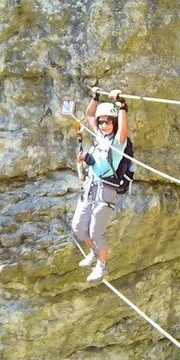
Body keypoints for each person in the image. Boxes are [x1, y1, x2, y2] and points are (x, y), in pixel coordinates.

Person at [71, 87, 128, 282]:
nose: (103, 125)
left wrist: (122, 106)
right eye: (102, 122)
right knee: (79, 227)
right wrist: (95, 97)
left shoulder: (118, 143)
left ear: (114, 123)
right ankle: (94, 252)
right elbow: (89, 115)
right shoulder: (100, 137)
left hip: (106, 190)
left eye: (107, 122)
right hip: (90, 187)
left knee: (96, 232)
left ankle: (102, 266)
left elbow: (123, 129)